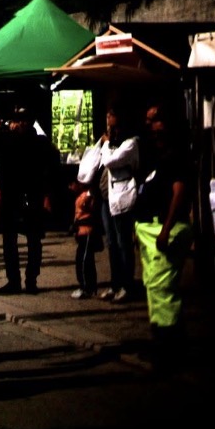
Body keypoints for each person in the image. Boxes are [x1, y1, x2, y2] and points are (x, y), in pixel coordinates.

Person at [134, 104, 193, 373]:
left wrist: (166, 228)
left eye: (155, 120)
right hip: (151, 229)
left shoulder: (176, 156)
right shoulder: (158, 155)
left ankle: (169, 348)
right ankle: (163, 340)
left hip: (164, 228)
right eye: (148, 121)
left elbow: (179, 194)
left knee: (162, 289)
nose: (150, 126)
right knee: (154, 286)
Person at [76, 104, 140, 302]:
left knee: (123, 243)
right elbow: (90, 165)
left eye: (113, 125)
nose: (110, 130)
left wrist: (105, 145)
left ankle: (127, 286)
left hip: (122, 198)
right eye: (108, 124)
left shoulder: (131, 143)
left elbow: (112, 161)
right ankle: (115, 284)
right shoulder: (108, 143)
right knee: (111, 243)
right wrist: (104, 143)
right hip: (106, 198)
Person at [0, 108, 58, 294]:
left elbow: (52, 169)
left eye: (22, 120)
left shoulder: (40, 143)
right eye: (15, 120)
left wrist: (47, 194)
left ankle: (31, 280)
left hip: (32, 195)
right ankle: (14, 281)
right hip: (11, 196)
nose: (18, 124)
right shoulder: (7, 139)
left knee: (33, 240)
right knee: (10, 242)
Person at [69, 180, 100, 300]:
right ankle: (86, 286)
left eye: (72, 184)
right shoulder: (79, 197)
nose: (70, 187)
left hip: (87, 231)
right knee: (82, 259)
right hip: (81, 232)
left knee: (84, 261)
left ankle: (87, 287)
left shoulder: (87, 196)